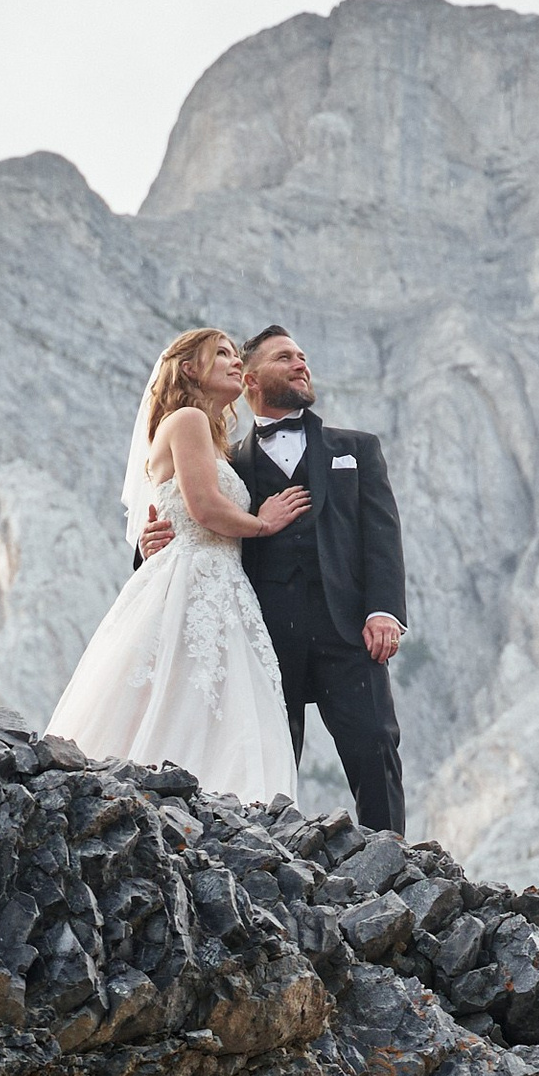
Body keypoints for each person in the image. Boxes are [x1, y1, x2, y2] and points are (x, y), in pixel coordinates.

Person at [139, 325, 407, 833]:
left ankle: (395, 873)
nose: (301, 364)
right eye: (285, 357)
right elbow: (188, 513)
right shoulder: (227, 459)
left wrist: (383, 611)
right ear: (252, 378)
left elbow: (382, 535)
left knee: (375, 747)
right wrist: (147, 542)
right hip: (260, 633)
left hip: (349, 630)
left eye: (303, 356)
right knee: (267, 755)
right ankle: (271, 867)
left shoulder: (358, 447)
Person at [44, 329, 305, 802]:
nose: (233, 362)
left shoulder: (209, 436)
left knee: (210, 704)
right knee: (185, 699)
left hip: (223, 585)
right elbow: (204, 508)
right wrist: (262, 523)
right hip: (192, 581)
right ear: (189, 369)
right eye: (221, 354)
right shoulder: (186, 419)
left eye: (235, 355)